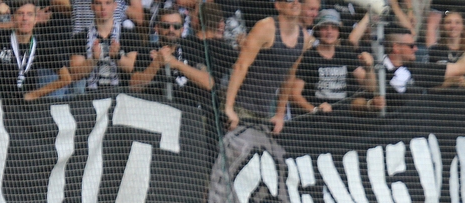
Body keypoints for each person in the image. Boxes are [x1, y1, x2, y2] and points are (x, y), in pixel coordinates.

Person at [223, 0, 312, 134]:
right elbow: (241, 65)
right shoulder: (265, 27)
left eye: (298, 0)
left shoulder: (304, 38)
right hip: (240, 106)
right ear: (277, 5)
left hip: (265, 112)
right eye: (288, 0)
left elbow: (289, 76)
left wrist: (280, 115)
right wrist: (229, 108)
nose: (294, 3)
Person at [0, 0, 74, 101]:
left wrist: (34, 95)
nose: (25, 18)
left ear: (35, 19)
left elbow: (66, 78)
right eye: (20, 14)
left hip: (21, 108)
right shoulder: (0, 36)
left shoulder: (42, 45)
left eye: (29, 14)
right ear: (13, 18)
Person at [291, 8, 376, 114]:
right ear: (317, 30)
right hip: (317, 121)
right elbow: (294, 94)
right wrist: (314, 109)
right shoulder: (309, 57)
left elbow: (370, 87)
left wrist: (369, 68)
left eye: (334, 28)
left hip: (344, 119)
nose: (329, 31)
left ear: (339, 31)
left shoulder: (345, 54)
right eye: (325, 28)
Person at [382, 24, 465, 107]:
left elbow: (460, 68)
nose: (416, 49)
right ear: (396, 48)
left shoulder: (417, 70)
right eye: (411, 46)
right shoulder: (377, 69)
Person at [130, 7, 212, 104]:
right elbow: (134, 86)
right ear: (157, 28)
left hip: (188, 111)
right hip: (155, 110)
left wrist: (177, 64)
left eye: (176, 26)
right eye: (166, 25)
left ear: (182, 29)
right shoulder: (147, 50)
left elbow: (209, 83)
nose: (171, 30)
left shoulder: (191, 48)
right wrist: (156, 64)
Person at [68, 0, 140, 92]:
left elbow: (133, 68)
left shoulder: (129, 35)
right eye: (98, 3)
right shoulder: (80, 38)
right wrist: (93, 60)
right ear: (92, 6)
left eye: (108, 3)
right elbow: (74, 75)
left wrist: (118, 57)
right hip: (88, 98)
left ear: (115, 5)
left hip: (122, 96)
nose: (103, 8)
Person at [429, 10, 465, 89]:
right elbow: (428, 88)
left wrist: (464, 82)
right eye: (448, 22)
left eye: (457, 22)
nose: (453, 26)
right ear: (442, 26)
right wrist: (449, 82)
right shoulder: (434, 51)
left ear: (463, 27)